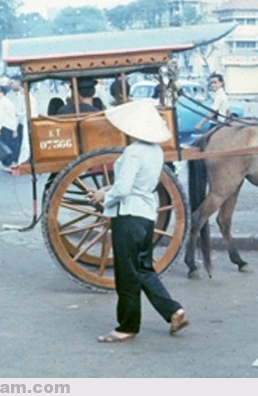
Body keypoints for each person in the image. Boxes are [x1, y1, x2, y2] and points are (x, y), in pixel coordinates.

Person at [91, 101, 189, 343]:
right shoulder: (156, 151)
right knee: (143, 268)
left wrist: (104, 196)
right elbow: (138, 185)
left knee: (127, 274)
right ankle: (173, 311)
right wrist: (111, 190)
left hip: (128, 216)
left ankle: (127, 326)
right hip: (145, 216)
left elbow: (123, 189)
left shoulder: (133, 151)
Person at [0, 85, 18, 170]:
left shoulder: (0, 103)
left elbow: (0, 116)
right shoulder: (8, 101)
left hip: (4, 126)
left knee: (3, 146)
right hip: (9, 126)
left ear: (2, 93)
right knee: (8, 145)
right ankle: (10, 162)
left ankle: (7, 163)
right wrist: (14, 129)